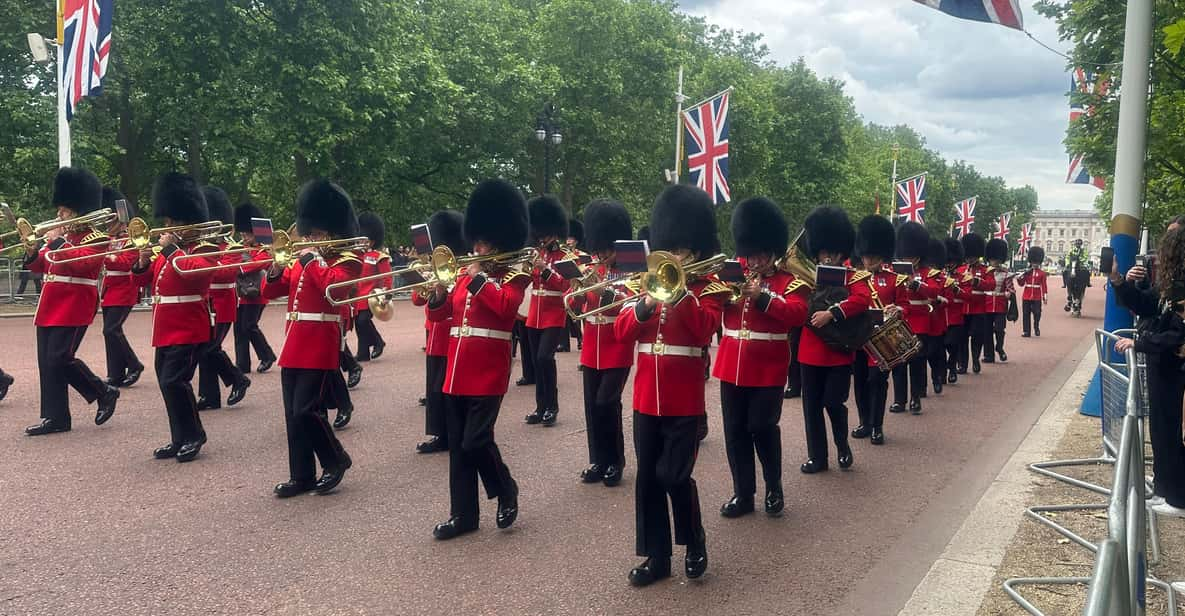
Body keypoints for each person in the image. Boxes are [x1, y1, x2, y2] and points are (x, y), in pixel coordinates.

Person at [615, 184, 726, 586]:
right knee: (648, 477)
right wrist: (645, 304)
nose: (674, 257)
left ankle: (694, 539)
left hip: (684, 400)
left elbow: (703, 331)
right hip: (647, 395)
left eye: (681, 251)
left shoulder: (710, 289)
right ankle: (657, 557)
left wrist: (679, 295)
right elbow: (622, 332)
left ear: (695, 252)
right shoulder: (644, 284)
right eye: (670, 249)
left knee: (675, 476)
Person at [426, 179, 529, 540]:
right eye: (476, 241)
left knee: (476, 440)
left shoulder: (517, 275)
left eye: (484, 242)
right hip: (455, 370)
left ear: (500, 241)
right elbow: (439, 317)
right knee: (459, 448)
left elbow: (505, 308)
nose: (478, 247)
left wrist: (478, 280)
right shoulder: (461, 275)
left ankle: (506, 489)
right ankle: (463, 515)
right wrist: (438, 293)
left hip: (488, 370)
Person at [268, 179, 362, 497]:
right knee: (292, 415)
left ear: (333, 233)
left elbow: (334, 289)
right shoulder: (304, 259)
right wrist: (273, 269)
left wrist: (311, 259)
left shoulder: (348, 260)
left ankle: (336, 459)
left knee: (306, 410)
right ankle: (302, 475)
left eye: (318, 234)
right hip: (294, 340)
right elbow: (275, 291)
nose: (311, 238)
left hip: (320, 340)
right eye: (311, 233)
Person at [714, 197, 806, 518]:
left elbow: (797, 314)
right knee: (735, 431)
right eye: (750, 254)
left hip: (768, 367)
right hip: (731, 364)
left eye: (760, 255)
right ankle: (743, 494)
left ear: (772, 252)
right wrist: (722, 298)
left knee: (762, 427)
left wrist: (765, 297)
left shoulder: (789, 281)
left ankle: (773, 485)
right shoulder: (730, 276)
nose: (754, 261)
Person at [24, 167, 120, 436]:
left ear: (79, 211)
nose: (59, 215)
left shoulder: (97, 238)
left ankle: (103, 391)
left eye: (64, 211)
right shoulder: (62, 238)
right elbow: (40, 267)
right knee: (47, 361)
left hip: (76, 303)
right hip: (50, 304)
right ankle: (55, 417)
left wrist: (55, 244)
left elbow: (82, 264)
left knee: (60, 357)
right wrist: (33, 252)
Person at [133, 172, 216, 461]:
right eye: (167, 222)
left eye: (173, 222)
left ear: (189, 221)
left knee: (174, 381)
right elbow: (145, 283)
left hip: (188, 324)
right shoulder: (168, 251)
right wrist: (143, 262)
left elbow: (193, 274)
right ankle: (178, 436)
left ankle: (194, 434)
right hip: (165, 325)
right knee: (166, 383)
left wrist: (170, 249)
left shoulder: (205, 247)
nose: (167, 228)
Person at [1112, 226, 1185, 518]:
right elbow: (1147, 306)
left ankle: (1178, 496)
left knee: (1170, 427)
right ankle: (1167, 486)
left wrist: (1141, 342)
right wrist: (1119, 280)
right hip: (1164, 361)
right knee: (1161, 428)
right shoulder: (1172, 282)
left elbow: (1178, 333)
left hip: (1175, 363)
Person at [797, 206, 872, 472]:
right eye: (822, 252)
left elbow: (863, 299)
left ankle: (842, 444)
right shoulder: (806, 277)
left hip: (839, 350)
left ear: (841, 253)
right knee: (811, 407)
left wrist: (832, 313)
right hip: (810, 350)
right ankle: (818, 457)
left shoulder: (853, 275)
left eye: (831, 252)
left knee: (832, 402)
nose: (826, 256)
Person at [568, 199, 635, 487]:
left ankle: (615, 461)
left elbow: (627, 306)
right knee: (592, 406)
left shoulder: (631, 271)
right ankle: (597, 459)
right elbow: (572, 305)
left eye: (606, 250)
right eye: (598, 249)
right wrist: (579, 293)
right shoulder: (590, 270)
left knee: (607, 402)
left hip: (617, 346)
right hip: (592, 347)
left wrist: (608, 293)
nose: (601, 255)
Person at [412, 209, 468, 454]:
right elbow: (417, 299)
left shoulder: (464, 268)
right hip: (434, 334)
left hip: (454, 334)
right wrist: (427, 282)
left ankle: (455, 432)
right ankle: (439, 434)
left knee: (448, 387)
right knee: (434, 387)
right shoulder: (436, 266)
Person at [195, 187, 252, 411]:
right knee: (204, 349)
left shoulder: (233, 246)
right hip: (206, 303)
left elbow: (227, 273)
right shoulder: (202, 246)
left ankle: (238, 379)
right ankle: (210, 396)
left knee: (210, 348)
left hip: (223, 301)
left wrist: (203, 264)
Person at [851, 215, 905, 445]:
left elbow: (906, 307)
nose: (867, 260)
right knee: (860, 381)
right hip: (859, 338)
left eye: (871, 257)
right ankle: (865, 422)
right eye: (864, 256)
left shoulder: (895, 279)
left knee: (878, 381)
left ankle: (877, 426)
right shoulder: (854, 278)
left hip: (882, 339)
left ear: (881, 257)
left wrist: (897, 309)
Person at [523, 195, 570, 427]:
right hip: (534, 314)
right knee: (535, 361)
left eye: (546, 234)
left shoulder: (563, 257)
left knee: (544, 358)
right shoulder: (534, 254)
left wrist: (546, 271)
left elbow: (565, 285)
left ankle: (552, 406)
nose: (542, 239)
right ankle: (540, 407)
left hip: (553, 313)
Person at [99, 186, 146, 388]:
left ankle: (134, 364)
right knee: (107, 331)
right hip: (110, 288)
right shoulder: (109, 238)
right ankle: (115, 374)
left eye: (111, 219)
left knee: (112, 330)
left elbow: (126, 262)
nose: (107, 223)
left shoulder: (131, 238)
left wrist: (106, 257)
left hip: (125, 288)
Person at [890, 222, 939, 415]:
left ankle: (916, 398)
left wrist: (915, 285)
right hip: (900, 320)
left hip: (919, 320)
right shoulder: (894, 271)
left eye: (909, 255)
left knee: (917, 362)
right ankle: (899, 400)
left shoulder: (927, 273)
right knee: (899, 363)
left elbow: (934, 293)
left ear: (918, 256)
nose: (906, 258)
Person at [232, 202, 277, 374]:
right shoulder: (242, 248)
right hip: (242, 294)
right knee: (239, 328)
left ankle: (267, 355)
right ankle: (242, 364)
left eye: (247, 234)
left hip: (257, 294)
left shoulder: (264, 250)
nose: (244, 237)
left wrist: (236, 267)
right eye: (242, 233)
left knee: (249, 326)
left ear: (255, 233)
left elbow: (258, 264)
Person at [352, 212, 391, 362]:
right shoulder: (355, 256)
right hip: (356, 297)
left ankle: (378, 341)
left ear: (372, 241)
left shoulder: (378, 256)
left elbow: (386, 277)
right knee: (359, 325)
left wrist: (386, 294)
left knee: (363, 321)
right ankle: (363, 353)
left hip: (371, 297)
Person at [960, 233, 995, 374]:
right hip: (963, 309)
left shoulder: (985, 270)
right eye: (968, 255)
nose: (970, 258)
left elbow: (991, 285)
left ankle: (975, 359)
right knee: (962, 339)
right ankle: (963, 364)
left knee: (976, 336)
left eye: (972, 255)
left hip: (978, 309)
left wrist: (977, 282)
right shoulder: (960, 269)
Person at [982, 238, 1013, 363]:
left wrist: (1009, 293)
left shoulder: (1005, 273)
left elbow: (1011, 288)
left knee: (1000, 329)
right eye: (993, 259)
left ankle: (999, 348)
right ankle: (989, 355)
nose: (995, 261)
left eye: (997, 259)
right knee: (987, 331)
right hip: (986, 304)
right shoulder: (984, 272)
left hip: (1000, 305)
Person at [943, 238, 968, 384]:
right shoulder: (939, 276)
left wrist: (956, 289)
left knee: (952, 344)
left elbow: (968, 295)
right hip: (941, 316)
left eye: (951, 261)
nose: (949, 264)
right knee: (942, 345)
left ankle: (952, 368)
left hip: (955, 315)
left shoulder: (963, 277)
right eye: (947, 261)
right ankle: (943, 370)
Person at [559, 217, 585, 353]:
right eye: (567, 238)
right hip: (565, 285)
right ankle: (564, 343)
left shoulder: (582, 255)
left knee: (576, 315)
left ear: (576, 241)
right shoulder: (563, 255)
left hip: (577, 286)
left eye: (571, 239)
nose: (568, 241)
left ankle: (581, 339)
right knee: (564, 314)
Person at [1019, 246, 1048, 337]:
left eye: (1037, 262)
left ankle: (1036, 326)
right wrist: (1020, 278)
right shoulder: (1027, 272)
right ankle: (1026, 331)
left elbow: (1044, 285)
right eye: (1034, 262)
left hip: (1037, 296)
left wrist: (1045, 296)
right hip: (1026, 295)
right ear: (1031, 261)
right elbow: (1021, 284)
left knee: (1037, 313)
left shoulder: (1042, 273)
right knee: (1026, 314)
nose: (1035, 264)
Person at [1064, 238, 1090, 310]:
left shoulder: (1084, 251)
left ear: (1081, 244)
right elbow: (1067, 257)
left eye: (1079, 244)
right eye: (1077, 244)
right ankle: (1065, 283)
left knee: (1087, 272)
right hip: (1072, 264)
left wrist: (1080, 261)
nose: (1078, 245)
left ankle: (1088, 282)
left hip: (1080, 265)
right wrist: (1067, 264)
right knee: (1064, 272)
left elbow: (1085, 257)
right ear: (1075, 244)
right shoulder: (1071, 250)